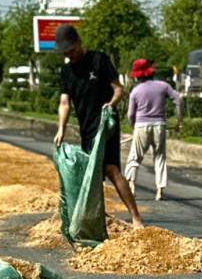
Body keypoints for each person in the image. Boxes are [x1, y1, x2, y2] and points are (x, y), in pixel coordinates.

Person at [51, 24, 142, 227]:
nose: (70, 54)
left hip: (106, 124)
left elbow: (119, 90)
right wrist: (61, 129)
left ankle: (136, 218)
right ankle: (97, 218)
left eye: (71, 49)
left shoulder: (99, 59)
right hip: (87, 128)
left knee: (111, 169)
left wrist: (110, 104)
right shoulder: (67, 72)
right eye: (66, 52)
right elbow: (64, 102)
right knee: (92, 175)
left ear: (79, 42)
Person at [123, 58, 183, 203]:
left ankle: (131, 186)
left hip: (141, 126)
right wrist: (179, 120)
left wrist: (134, 127)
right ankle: (159, 191)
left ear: (139, 75)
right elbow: (178, 100)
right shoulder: (163, 86)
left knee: (134, 157)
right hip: (160, 125)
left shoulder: (135, 91)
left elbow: (130, 114)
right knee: (160, 157)